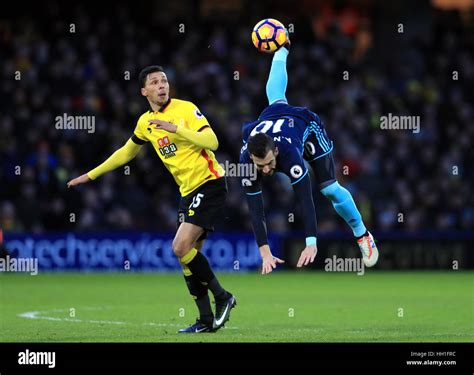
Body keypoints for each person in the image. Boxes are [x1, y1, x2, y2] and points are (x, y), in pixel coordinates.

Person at [67, 65, 236, 333]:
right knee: (189, 259)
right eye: (155, 82)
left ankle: (223, 296)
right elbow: (126, 152)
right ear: (144, 91)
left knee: (179, 247)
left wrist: (176, 128)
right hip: (187, 192)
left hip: (210, 183)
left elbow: (212, 142)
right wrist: (91, 175)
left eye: (164, 80)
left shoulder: (185, 109)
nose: (162, 86)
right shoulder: (145, 123)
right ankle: (206, 320)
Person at [240, 36, 379, 275]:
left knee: (329, 189)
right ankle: (282, 49)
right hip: (272, 118)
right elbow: (255, 208)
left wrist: (310, 243)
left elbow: (306, 199)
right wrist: (264, 251)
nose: (265, 171)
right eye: (259, 165)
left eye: (269, 163)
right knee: (275, 99)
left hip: (306, 127)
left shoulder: (291, 157)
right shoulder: (247, 160)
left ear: (276, 152)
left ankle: (362, 234)